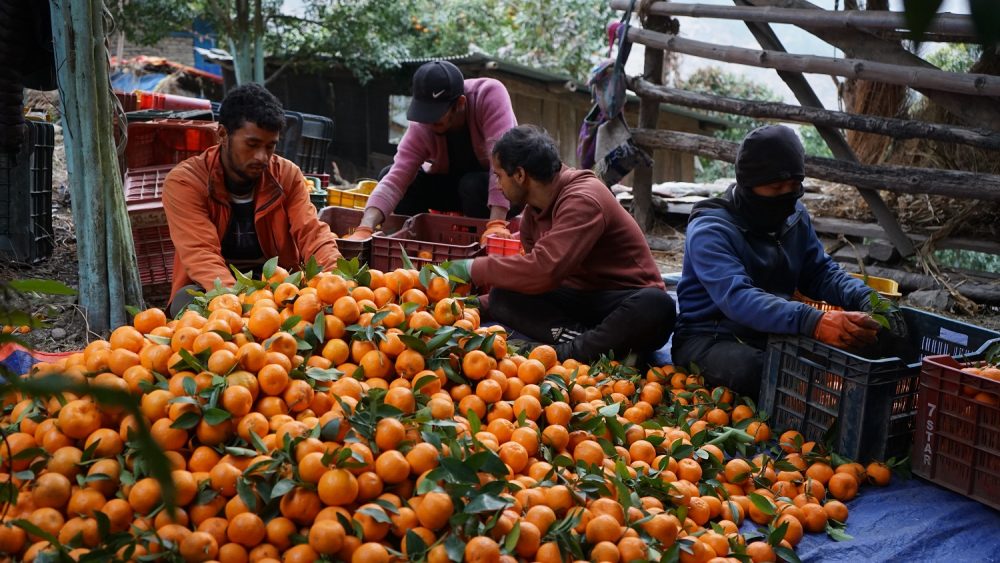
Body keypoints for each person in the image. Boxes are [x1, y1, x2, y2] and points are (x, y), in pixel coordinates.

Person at [672, 124, 903, 398]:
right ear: (748, 185)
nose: (787, 195)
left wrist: (867, 299)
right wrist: (814, 321)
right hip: (709, 339)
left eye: (794, 185)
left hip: (773, 332)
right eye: (776, 187)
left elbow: (820, 272)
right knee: (759, 371)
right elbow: (738, 298)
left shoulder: (793, 216)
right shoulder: (711, 230)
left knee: (869, 341)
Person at [453, 125, 676, 363]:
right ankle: (587, 342)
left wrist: (471, 268)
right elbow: (534, 282)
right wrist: (474, 304)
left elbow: (544, 271)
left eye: (499, 176)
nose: (497, 185)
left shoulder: (583, 199)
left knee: (657, 306)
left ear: (520, 175)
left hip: (620, 300)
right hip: (580, 302)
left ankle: (568, 352)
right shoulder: (532, 215)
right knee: (502, 295)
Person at [163, 83, 342, 316]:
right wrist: (239, 306)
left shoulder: (287, 176)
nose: (262, 157)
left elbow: (312, 233)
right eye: (252, 144)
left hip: (278, 285)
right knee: (186, 305)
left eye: (270, 146)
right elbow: (201, 254)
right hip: (213, 287)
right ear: (223, 135)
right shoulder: (186, 182)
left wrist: (338, 281)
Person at [347, 60, 517, 244]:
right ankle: (417, 242)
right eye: (424, 112)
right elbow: (395, 179)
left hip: (502, 190)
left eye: (435, 115)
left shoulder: (489, 95)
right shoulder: (423, 124)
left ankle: (477, 242)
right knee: (388, 173)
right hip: (453, 189)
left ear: (459, 104)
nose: (427, 121)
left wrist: (496, 224)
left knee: (472, 185)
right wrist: (365, 228)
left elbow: (504, 163)